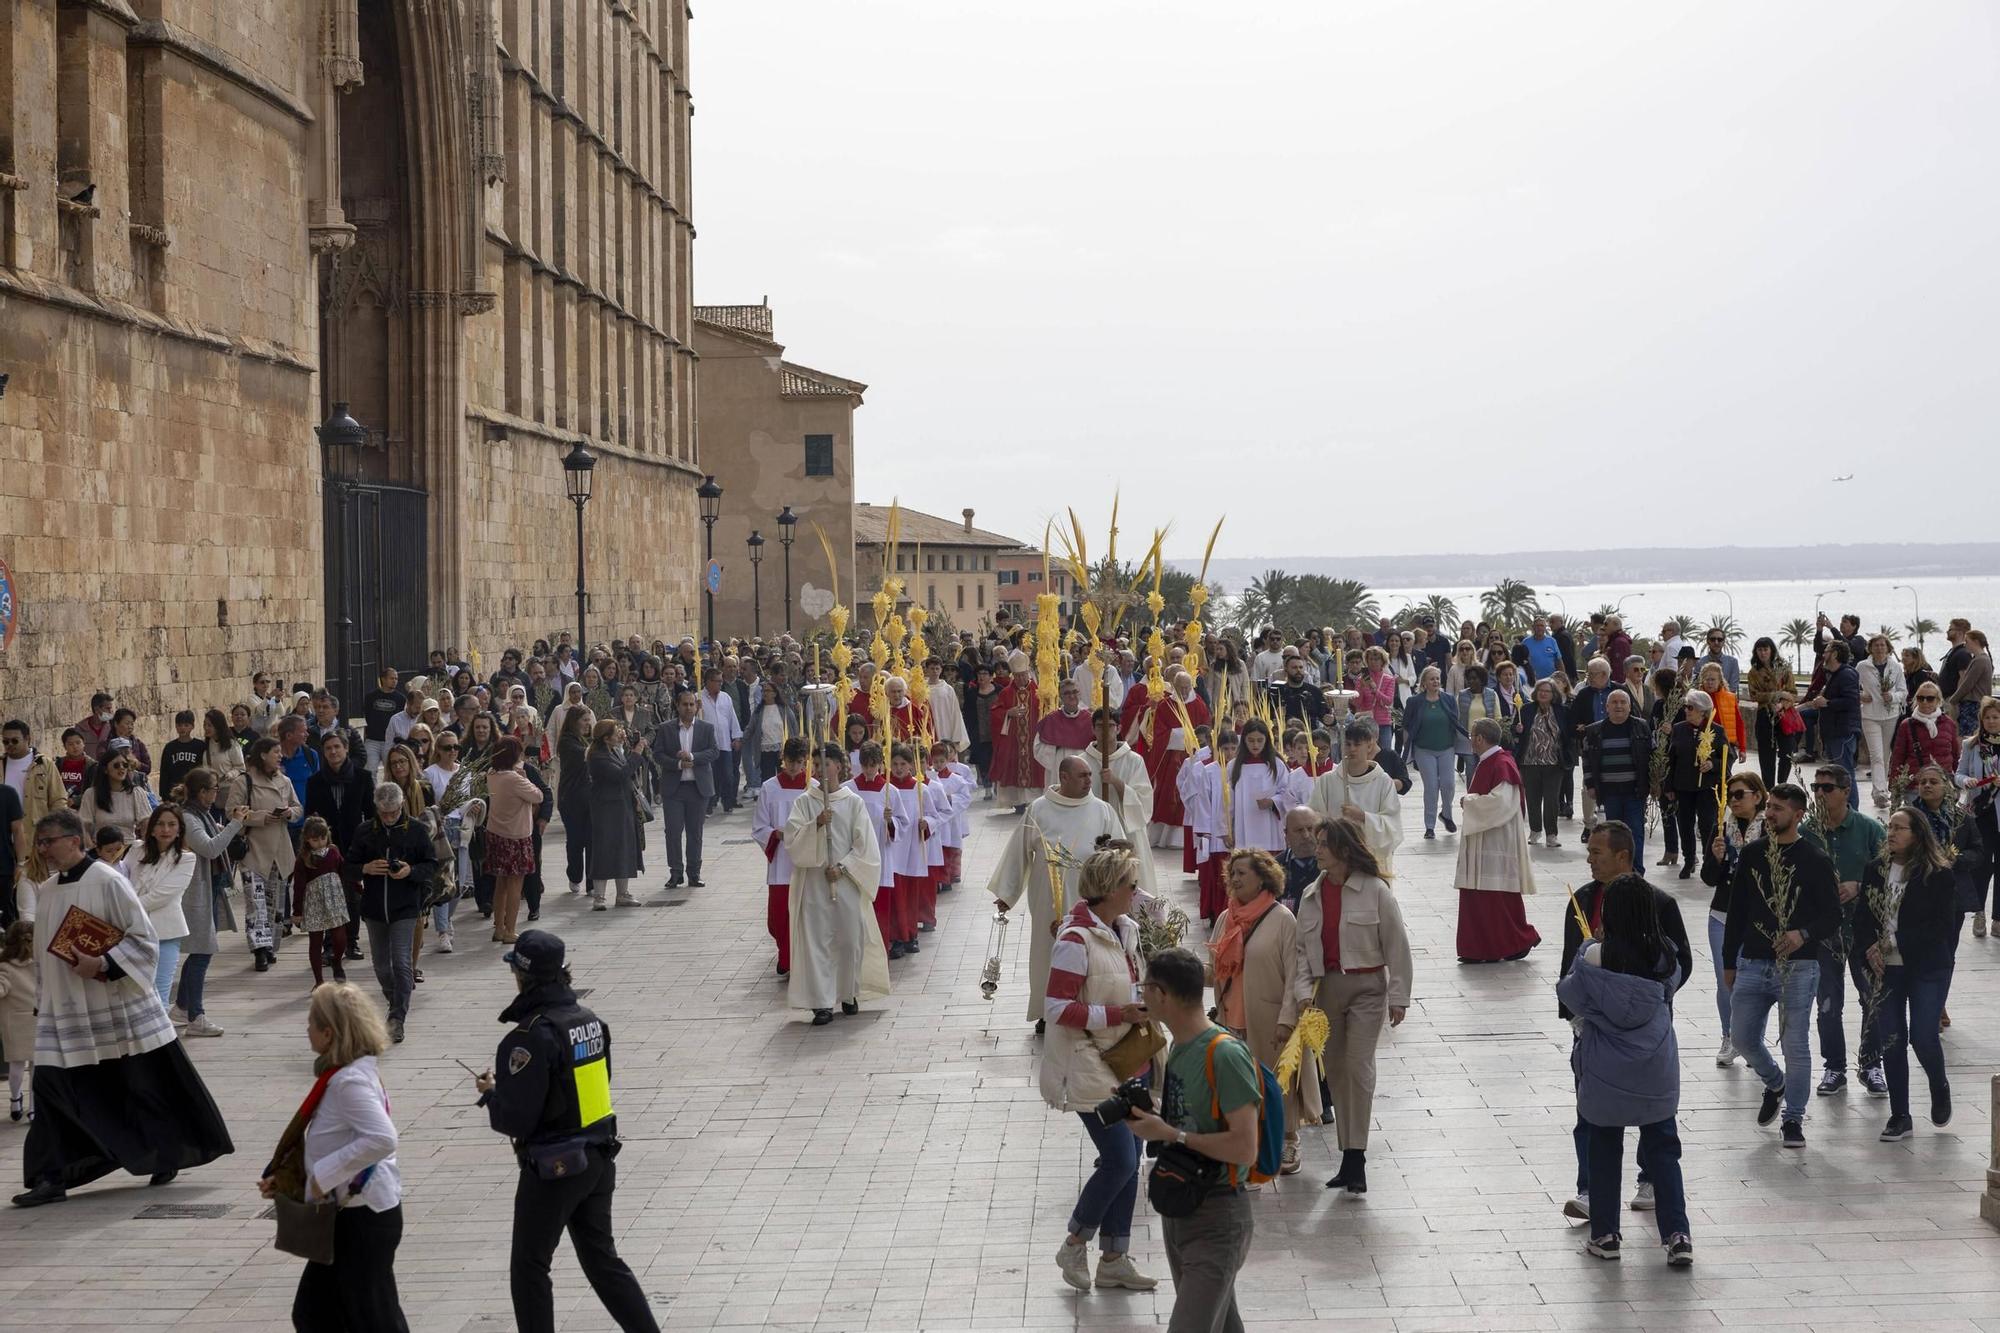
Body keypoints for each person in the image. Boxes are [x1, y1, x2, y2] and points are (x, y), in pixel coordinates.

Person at [12, 809, 234, 1208]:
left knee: (139, 1085)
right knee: (49, 1089)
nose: (42, 849)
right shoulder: (46, 890)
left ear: (75, 841)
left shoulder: (108, 880)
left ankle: (165, 1152)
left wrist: (102, 964)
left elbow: (144, 939)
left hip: (114, 1003)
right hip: (62, 1010)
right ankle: (51, 1176)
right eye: (39, 842)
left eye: (49, 841)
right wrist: (41, 1001)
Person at [471, 932, 661, 1333]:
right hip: (598, 1157)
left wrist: (492, 1095)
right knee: (603, 1261)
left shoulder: (528, 1037)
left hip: (554, 1167)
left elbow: (517, 1120)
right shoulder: (589, 1020)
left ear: (523, 975)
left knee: (529, 1266)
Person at [1557, 874, 1693, 1266]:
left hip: (1605, 1068)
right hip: (1655, 1065)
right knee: (1664, 1152)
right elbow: (1675, 980)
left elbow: (1569, 992)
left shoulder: (1596, 956)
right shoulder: (1664, 954)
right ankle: (1677, 1235)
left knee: (1603, 1148)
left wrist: (1588, 943)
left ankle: (1606, 1234)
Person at [1121, 947, 1259, 1332]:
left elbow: (1245, 1147)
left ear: (1162, 994)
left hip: (1218, 1215)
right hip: (1181, 1209)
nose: (1140, 995)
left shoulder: (1225, 1054)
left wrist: (1172, 1133)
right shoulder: (1180, 1049)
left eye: (1144, 987)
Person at [259, 982, 408, 1331]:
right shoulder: (346, 1075)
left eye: (311, 1022)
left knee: (370, 1317)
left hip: (362, 1218)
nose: (306, 1029)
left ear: (328, 1033)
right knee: (318, 1313)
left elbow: (382, 1138)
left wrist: (319, 1177)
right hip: (353, 1216)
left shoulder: (348, 1082)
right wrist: (289, 1179)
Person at [1044, 846, 1160, 1292]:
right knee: (1120, 1160)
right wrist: (1119, 1016)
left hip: (1129, 1062)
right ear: (1111, 890)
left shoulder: (1124, 929)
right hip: (1090, 1065)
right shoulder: (1075, 940)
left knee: (1130, 1165)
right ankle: (1075, 1243)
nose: (1137, 892)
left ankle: (1115, 1258)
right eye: (1131, 885)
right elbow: (1056, 1007)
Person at [1722, 782, 1841, 1150]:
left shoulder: (1815, 859)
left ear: (1798, 814)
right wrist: (1729, 961)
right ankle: (1775, 1082)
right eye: (1769, 806)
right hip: (1754, 960)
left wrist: (1802, 934)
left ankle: (1793, 1118)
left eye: (1777, 808)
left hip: (1799, 966)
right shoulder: (1754, 854)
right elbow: (1737, 910)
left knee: (1795, 1043)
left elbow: (1833, 916)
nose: (1769, 814)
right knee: (1741, 1037)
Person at [1296, 817, 1412, 1195]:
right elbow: (1301, 953)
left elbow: (1397, 944)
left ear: (1344, 849)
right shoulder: (1311, 895)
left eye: (1324, 843)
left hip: (1367, 989)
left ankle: (1356, 1157)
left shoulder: (1375, 890)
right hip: (1327, 989)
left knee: (1358, 1067)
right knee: (1336, 1071)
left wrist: (1398, 996)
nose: (1317, 849)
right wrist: (1301, 995)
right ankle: (1348, 1152)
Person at [987, 756, 1125, 1029]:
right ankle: (1047, 1011)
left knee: (1090, 951)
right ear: (1063, 778)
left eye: (1089, 775)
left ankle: (1086, 1006)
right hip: (1048, 899)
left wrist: (1122, 891)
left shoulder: (1102, 810)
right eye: (1083, 775)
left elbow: (1121, 853)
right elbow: (1019, 851)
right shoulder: (1039, 809)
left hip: (1091, 899)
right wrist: (1007, 894)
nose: (1089, 780)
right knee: (1047, 951)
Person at [1854, 807, 1960, 1142]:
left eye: (1900, 828)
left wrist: (1894, 941)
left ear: (1917, 833)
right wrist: (1870, 946)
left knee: (1923, 1036)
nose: (1892, 833)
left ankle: (1938, 1084)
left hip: (1928, 965)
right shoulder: (1876, 869)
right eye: (1890, 827)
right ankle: (1900, 1115)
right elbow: (1862, 917)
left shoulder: (1937, 873)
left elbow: (1941, 925)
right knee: (1892, 1039)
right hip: (1887, 968)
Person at [1208, 848, 1308, 1177]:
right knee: (1239, 1087)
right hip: (1229, 1019)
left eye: (1242, 874)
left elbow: (1295, 973)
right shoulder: (1226, 918)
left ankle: (1289, 1140)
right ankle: (1247, 1147)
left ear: (1263, 877)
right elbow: (1214, 968)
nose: (1234, 879)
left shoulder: (1282, 919)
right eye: (1232, 874)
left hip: (1268, 1019)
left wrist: (1286, 1019)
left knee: (1279, 1084)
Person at [782, 745, 890, 1026]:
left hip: (845, 881)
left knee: (850, 938)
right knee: (817, 941)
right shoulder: (805, 802)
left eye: (825, 764)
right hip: (815, 883)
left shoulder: (852, 802)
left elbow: (866, 845)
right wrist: (816, 824)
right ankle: (821, 1003)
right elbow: (792, 840)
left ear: (839, 766)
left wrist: (842, 867)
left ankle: (849, 993)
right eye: (815, 764)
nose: (819, 770)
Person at [1803, 764, 1885, 1098]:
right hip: (1824, 934)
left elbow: (1889, 874)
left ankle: (1871, 1064)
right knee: (1827, 1003)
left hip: (1865, 933)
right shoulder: (1808, 831)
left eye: (1827, 788)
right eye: (1816, 787)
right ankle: (1834, 1066)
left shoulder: (1868, 829)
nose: (1820, 793)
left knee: (1872, 999)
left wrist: (1859, 885)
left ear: (1846, 791)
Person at [345, 782, 434, 1045]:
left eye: (393, 812)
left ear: (402, 805)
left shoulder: (417, 830)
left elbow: (431, 865)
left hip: (406, 907)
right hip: (373, 909)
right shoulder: (364, 831)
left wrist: (410, 871)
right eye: (383, 813)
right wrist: (365, 868)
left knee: (402, 962)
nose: (388, 817)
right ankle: (396, 1002)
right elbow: (347, 866)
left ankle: (397, 1018)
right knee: (381, 966)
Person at [1455, 718, 1539, 963]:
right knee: (1479, 895)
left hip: (1496, 842)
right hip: (1484, 838)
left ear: (1480, 738)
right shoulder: (1489, 761)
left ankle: (1513, 942)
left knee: (1496, 897)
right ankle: (1479, 948)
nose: (1470, 741)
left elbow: (1502, 803)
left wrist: (1469, 802)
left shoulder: (1501, 763)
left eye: (1472, 736)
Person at [1705, 775, 1766, 1066]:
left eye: (1740, 794)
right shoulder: (1721, 827)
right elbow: (1708, 879)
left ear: (1758, 796)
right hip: (1722, 915)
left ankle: (1752, 1042)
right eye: (1730, 795)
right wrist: (1716, 859)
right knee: (1725, 979)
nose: (1734, 800)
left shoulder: (1769, 827)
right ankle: (1729, 1037)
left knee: (1753, 982)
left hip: (1757, 918)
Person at [1306, 717, 1404, 873]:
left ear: (1370, 746)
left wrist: (1364, 817)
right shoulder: (1328, 780)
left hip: (1370, 859)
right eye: (1348, 744)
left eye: (1357, 745)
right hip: (1335, 858)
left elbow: (1392, 825)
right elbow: (1314, 817)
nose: (1352, 749)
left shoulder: (1383, 782)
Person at [235, 737, 300, 971]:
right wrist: (261, 817)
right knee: (256, 903)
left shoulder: (285, 781)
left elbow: (298, 807)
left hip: (279, 852)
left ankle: (271, 946)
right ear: (262, 754)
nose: (280, 755)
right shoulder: (244, 782)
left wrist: (289, 813)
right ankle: (259, 950)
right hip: (254, 850)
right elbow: (233, 812)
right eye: (275, 751)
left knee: (275, 904)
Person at [124, 804, 195, 1008]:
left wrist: (126, 906)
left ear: (179, 829)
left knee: (159, 996)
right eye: (160, 824)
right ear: (152, 828)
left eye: (171, 824)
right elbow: (122, 879)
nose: (165, 830)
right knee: (133, 995)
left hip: (165, 933)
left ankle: (164, 1040)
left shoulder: (186, 859)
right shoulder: (137, 850)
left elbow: (162, 896)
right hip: (132, 932)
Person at [650, 691, 716, 888]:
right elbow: (658, 755)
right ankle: (676, 873)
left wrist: (693, 757)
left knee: (695, 833)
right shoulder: (666, 728)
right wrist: (677, 764)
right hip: (674, 789)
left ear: (696, 707)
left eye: (691, 705)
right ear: (677, 706)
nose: (688, 708)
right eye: (684, 704)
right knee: (673, 832)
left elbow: (714, 751)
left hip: (698, 788)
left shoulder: (706, 728)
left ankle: (694, 873)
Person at [483, 738, 543, 942]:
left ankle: (498, 927)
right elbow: (538, 796)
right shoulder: (514, 778)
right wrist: (526, 777)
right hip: (516, 836)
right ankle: (510, 930)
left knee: (501, 883)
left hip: (495, 833)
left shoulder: (492, 774)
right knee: (515, 885)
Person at [584, 720, 642, 909]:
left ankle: (622, 893)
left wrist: (627, 748)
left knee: (623, 847)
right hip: (606, 809)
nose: (621, 734)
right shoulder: (597, 756)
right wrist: (636, 754)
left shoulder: (613, 751)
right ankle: (599, 896)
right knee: (604, 850)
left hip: (622, 806)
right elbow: (621, 774)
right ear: (606, 738)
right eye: (616, 732)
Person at [293, 817, 351, 988]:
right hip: (314, 903)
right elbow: (298, 886)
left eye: (322, 838)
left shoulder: (333, 851)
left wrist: (358, 887)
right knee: (315, 942)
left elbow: (344, 870)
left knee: (340, 938)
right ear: (307, 839)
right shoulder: (303, 858)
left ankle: (337, 961)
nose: (319, 843)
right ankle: (318, 980)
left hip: (335, 900)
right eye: (315, 840)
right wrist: (297, 912)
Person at [1512, 679, 1570, 848]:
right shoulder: (1526, 710)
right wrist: (1517, 729)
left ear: (1553, 695)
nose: (1543, 693)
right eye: (1540, 691)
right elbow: (1515, 729)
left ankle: (1551, 834)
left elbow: (1568, 732)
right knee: (1533, 798)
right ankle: (1535, 831)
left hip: (1554, 762)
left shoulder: (1561, 711)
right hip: (1529, 762)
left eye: (1547, 691)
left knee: (1552, 800)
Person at [1403, 666, 1459, 839]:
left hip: (1447, 747)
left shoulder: (1449, 699)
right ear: (1424, 683)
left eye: (1437, 678)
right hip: (1423, 749)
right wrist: (1408, 748)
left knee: (1449, 784)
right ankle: (1429, 826)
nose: (1435, 681)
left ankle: (1447, 814)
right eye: (1432, 679)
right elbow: (1406, 725)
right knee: (1432, 787)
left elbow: (1455, 722)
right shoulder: (1414, 702)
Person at [1960, 698, 2000, 938]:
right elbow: (1958, 774)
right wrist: (1966, 781)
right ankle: (1979, 913)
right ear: (1981, 721)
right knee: (1982, 865)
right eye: (1988, 718)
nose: (1992, 721)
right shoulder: (1971, 745)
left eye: (1996, 717)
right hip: (1981, 812)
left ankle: (1998, 917)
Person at [1856, 634, 1907, 808]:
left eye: (1882, 645)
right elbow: (1851, 686)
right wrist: (1860, 695)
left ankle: (1880, 788)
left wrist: (1892, 697)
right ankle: (1880, 793)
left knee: (1885, 755)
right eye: (1876, 645)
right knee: (1876, 755)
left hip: (1890, 715)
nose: (1879, 648)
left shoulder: (1895, 667)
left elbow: (1903, 692)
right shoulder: (1862, 666)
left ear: (1888, 647)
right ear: (1871, 648)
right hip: (1870, 716)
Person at [1805, 640, 1862, 789]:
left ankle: (1851, 809)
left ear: (1835, 654)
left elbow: (1851, 701)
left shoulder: (1846, 674)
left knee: (1844, 776)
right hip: (1834, 733)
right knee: (1837, 777)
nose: (1823, 655)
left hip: (1842, 733)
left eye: (1826, 651)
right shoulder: (1835, 675)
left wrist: (1827, 703)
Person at [1744, 638, 1794, 789]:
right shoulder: (1754, 672)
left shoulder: (1784, 668)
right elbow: (1754, 695)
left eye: (1765, 649)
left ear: (1771, 650)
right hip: (1764, 714)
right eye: (1759, 650)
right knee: (1766, 755)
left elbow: (1792, 693)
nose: (1763, 653)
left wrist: (1782, 704)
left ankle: (1782, 783)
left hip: (1784, 714)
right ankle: (1768, 787)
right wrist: (1774, 696)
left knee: (1787, 752)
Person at [1890, 682, 1958, 793]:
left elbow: (1955, 755)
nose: (1925, 702)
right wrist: (1894, 784)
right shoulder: (1907, 725)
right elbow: (1898, 756)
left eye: (1930, 698)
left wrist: (1959, 782)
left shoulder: (1948, 723)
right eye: (1921, 698)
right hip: (1915, 786)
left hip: (1943, 785)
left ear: (1938, 700)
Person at [698, 668, 744, 813]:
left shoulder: (726, 697)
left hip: (724, 743)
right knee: (711, 775)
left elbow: (732, 718)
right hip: (707, 745)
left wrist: (736, 736)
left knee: (728, 775)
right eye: (717, 681)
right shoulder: (698, 698)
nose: (720, 684)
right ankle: (710, 803)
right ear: (708, 682)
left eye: (721, 681)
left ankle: (728, 802)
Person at [1945, 628, 1993, 736]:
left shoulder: (1980, 660)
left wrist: (1953, 699)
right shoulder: (1980, 659)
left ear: (1976, 642)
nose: (1965, 644)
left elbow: (1968, 684)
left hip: (1973, 704)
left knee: (1969, 736)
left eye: (1967, 641)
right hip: (1975, 704)